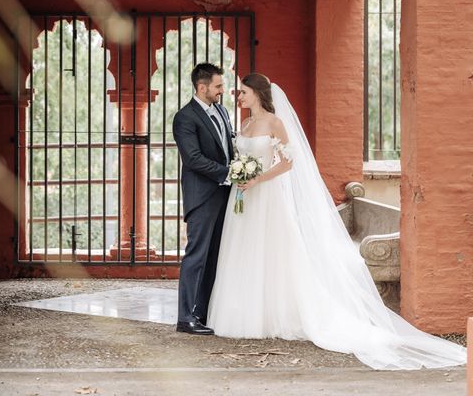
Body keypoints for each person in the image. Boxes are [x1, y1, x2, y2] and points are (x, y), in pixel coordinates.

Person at [207, 73, 467, 370]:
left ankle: (277, 313)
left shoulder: (274, 122)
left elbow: (288, 162)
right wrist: (241, 177)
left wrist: (257, 180)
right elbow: (241, 157)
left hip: (267, 197)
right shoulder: (246, 124)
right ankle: (243, 312)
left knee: (273, 252)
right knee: (244, 250)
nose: (238, 96)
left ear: (256, 93)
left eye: (242, 92)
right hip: (244, 198)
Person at [172, 63, 234, 335]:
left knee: (215, 257)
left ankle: (204, 313)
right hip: (202, 195)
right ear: (202, 87)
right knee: (196, 256)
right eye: (218, 86)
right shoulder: (185, 118)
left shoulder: (221, 110)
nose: (223, 90)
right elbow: (193, 159)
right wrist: (228, 172)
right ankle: (185, 318)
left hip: (226, 193)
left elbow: (228, 145)